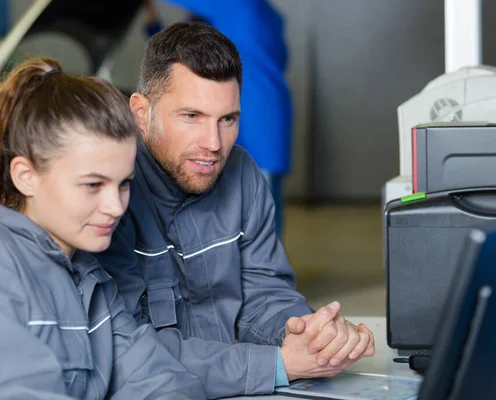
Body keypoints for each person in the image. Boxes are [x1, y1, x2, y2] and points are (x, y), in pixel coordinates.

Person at [0, 58, 205, 400]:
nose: (116, 207)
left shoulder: (86, 275)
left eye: (123, 184)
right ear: (26, 176)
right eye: (92, 185)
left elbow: (157, 377)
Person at [96, 22, 375, 399]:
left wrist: (307, 335)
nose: (213, 144)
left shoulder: (242, 175)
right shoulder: (109, 195)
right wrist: (277, 365)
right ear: (140, 112)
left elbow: (264, 292)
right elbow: (130, 353)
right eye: (191, 116)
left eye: (228, 119)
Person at [141, 0, 292, 234]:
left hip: (257, 120)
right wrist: (151, 18)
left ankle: (262, 269)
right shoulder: (263, 16)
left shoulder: (239, 6)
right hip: (251, 117)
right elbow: (174, 54)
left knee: (260, 210)